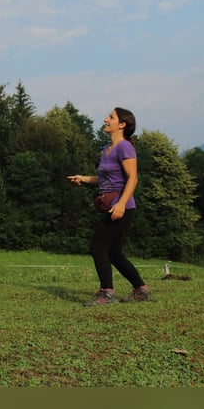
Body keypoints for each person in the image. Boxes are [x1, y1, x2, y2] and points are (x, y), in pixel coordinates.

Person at [67, 107, 152, 306]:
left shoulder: (125, 147)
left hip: (122, 207)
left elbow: (133, 178)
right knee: (114, 253)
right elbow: (104, 178)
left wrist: (122, 203)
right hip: (112, 206)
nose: (106, 119)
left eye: (111, 117)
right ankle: (141, 290)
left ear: (121, 124)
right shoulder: (106, 148)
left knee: (98, 247)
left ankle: (106, 293)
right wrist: (84, 179)